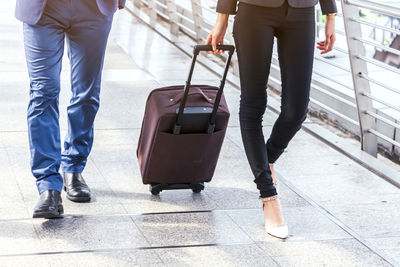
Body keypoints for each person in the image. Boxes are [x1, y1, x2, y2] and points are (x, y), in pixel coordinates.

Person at [206, 0, 337, 238]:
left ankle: (265, 162)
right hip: (254, 9)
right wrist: (221, 19)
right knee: (253, 104)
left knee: (296, 111)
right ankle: (268, 194)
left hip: (302, 10)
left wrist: (330, 15)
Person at [15, 0, 125, 219]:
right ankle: (48, 186)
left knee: (87, 94)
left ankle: (73, 166)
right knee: (42, 92)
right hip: (43, 9)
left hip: (93, 8)